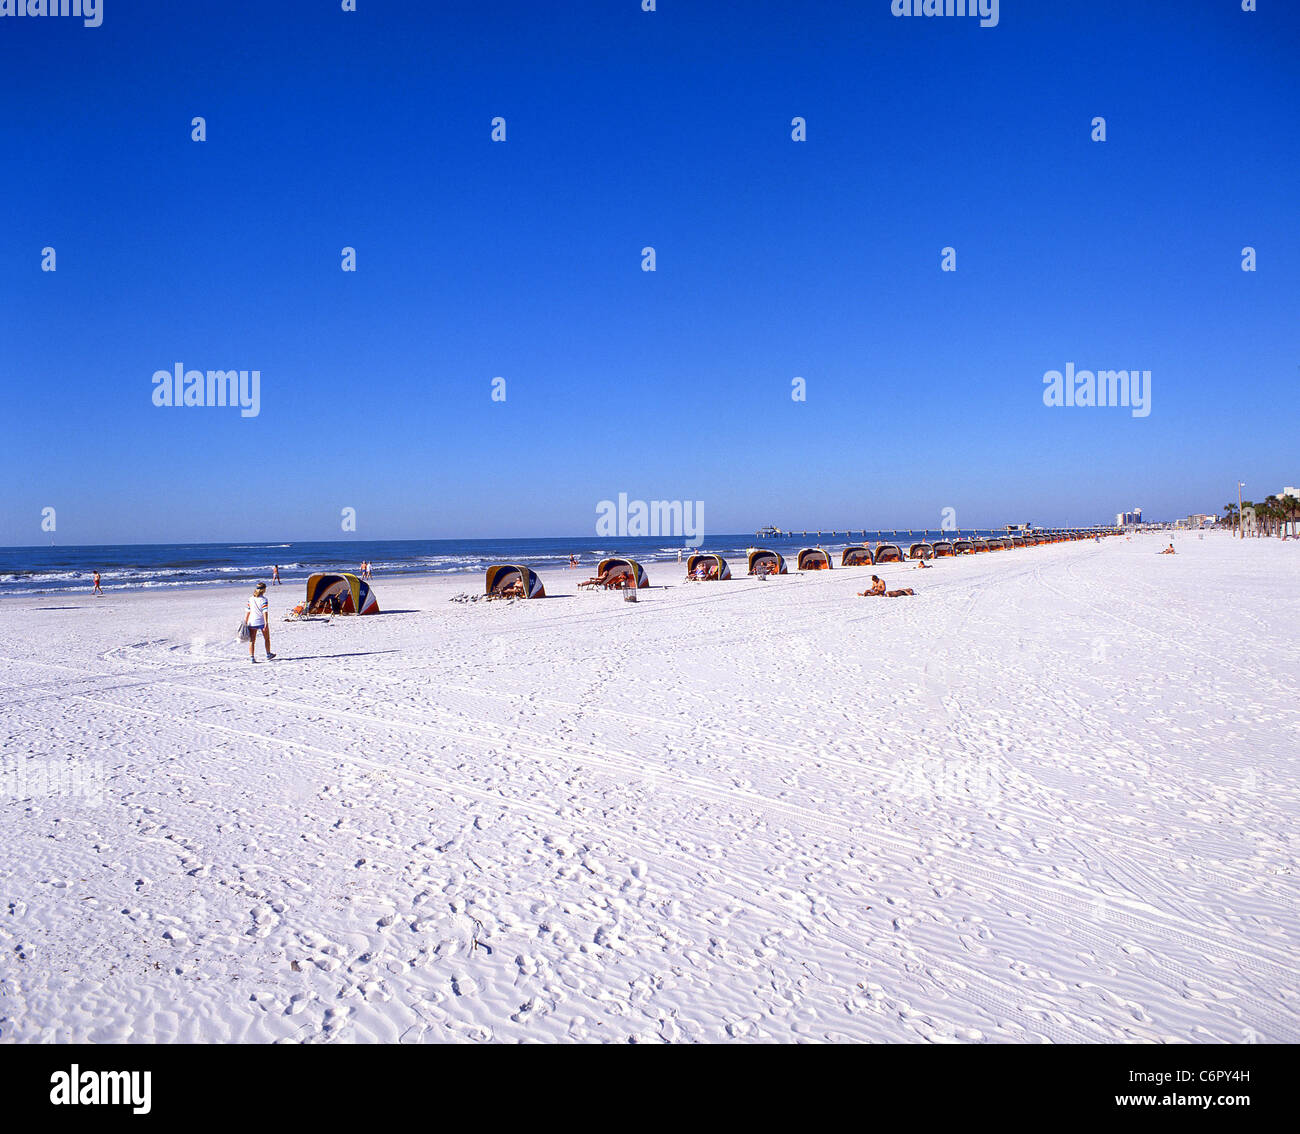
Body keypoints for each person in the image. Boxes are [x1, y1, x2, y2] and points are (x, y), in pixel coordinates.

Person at [244, 582, 276, 662]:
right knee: (267, 639)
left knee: (252, 641)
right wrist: (266, 622)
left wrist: (245, 621)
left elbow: (248, 611)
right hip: (261, 622)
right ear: (264, 589)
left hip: (252, 621)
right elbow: (265, 612)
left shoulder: (250, 599)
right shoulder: (264, 599)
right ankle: (268, 654)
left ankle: (252, 657)